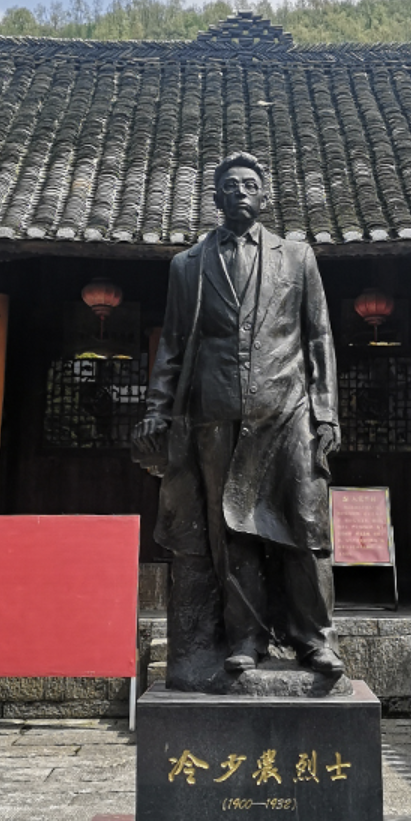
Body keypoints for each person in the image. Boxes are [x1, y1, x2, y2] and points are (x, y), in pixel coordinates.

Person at [133, 151, 345, 680]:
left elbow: (318, 336)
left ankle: (314, 640)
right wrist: (158, 409)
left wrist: (326, 413)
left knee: (305, 524)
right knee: (231, 534)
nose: (240, 192)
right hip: (216, 415)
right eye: (230, 186)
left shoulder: (297, 257)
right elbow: (173, 345)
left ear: (264, 196)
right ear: (215, 198)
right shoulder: (188, 265)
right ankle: (245, 639)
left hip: (287, 411)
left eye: (250, 185)